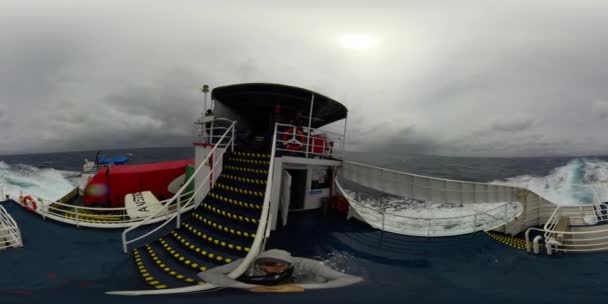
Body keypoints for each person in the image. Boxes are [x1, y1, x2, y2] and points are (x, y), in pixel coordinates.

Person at [198, 249, 363, 293]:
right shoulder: (245, 264)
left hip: (294, 281)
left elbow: (352, 279)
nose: (272, 269)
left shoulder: (305, 264)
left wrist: (298, 288)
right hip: (257, 285)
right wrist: (246, 287)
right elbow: (205, 274)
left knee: (320, 277)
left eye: (279, 266)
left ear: (288, 264)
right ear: (259, 263)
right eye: (267, 265)